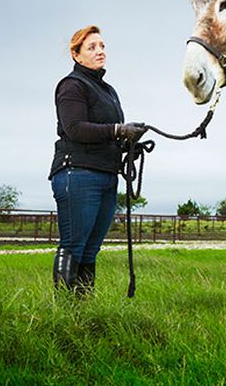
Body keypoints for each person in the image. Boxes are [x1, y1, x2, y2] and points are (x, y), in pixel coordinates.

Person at [48, 25, 146, 295]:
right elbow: (75, 128)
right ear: (76, 55)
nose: (100, 51)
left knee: (91, 248)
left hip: (106, 174)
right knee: (74, 244)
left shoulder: (108, 91)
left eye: (102, 46)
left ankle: (84, 309)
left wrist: (127, 144)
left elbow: (105, 133)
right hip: (77, 174)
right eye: (91, 47)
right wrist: (118, 130)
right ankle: (65, 312)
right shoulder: (72, 85)